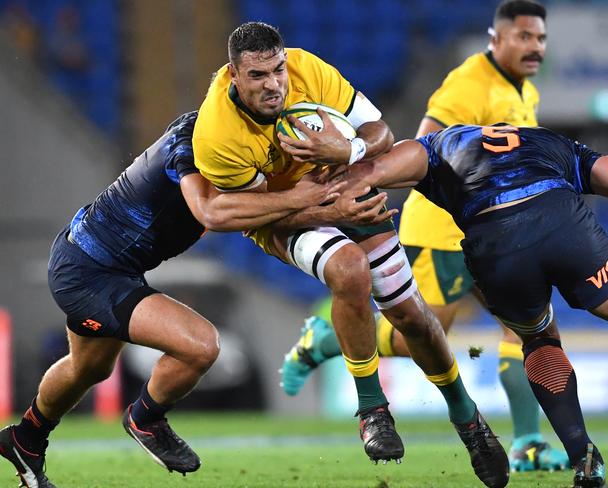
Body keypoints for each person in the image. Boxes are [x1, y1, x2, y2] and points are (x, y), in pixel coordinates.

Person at [193, 21, 510, 487]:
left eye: (277, 70)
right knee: (349, 268)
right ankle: (372, 410)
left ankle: (468, 420)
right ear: (234, 75)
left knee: (412, 317)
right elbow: (256, 214)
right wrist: (319, 204)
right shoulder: (217, 133)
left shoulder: (308, 70)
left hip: (345, 186)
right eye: (258, 76)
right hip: (279, 217)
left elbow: (382, 132)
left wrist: (349, 147)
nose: (274, 84)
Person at [280, 0, 569, 473]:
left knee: (528, 321)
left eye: (540, 38)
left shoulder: (524, 93)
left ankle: (528, 442)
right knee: (420, 332)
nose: (534, 47)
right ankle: (327, 341)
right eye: (523, 37)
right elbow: (425, 145)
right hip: (443, 230)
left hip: (490, 230)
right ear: (496, 39)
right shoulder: (468, 84)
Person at [0, 111, 351, 488]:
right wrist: (305, 200)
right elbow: (211, 212)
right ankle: (145, 418)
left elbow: (259, 218)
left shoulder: (233, 148)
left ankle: (25, 440)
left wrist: (323, 211)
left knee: (89, 369)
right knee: (200, 345)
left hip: (97, 261)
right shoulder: (190, 146)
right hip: (90, 272)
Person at [337, 122, 608, 488]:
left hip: (497, 248)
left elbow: (371, 172)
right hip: (565, 227)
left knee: (538, 339)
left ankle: (583, 457)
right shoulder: (550, 141)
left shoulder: (437, 145)